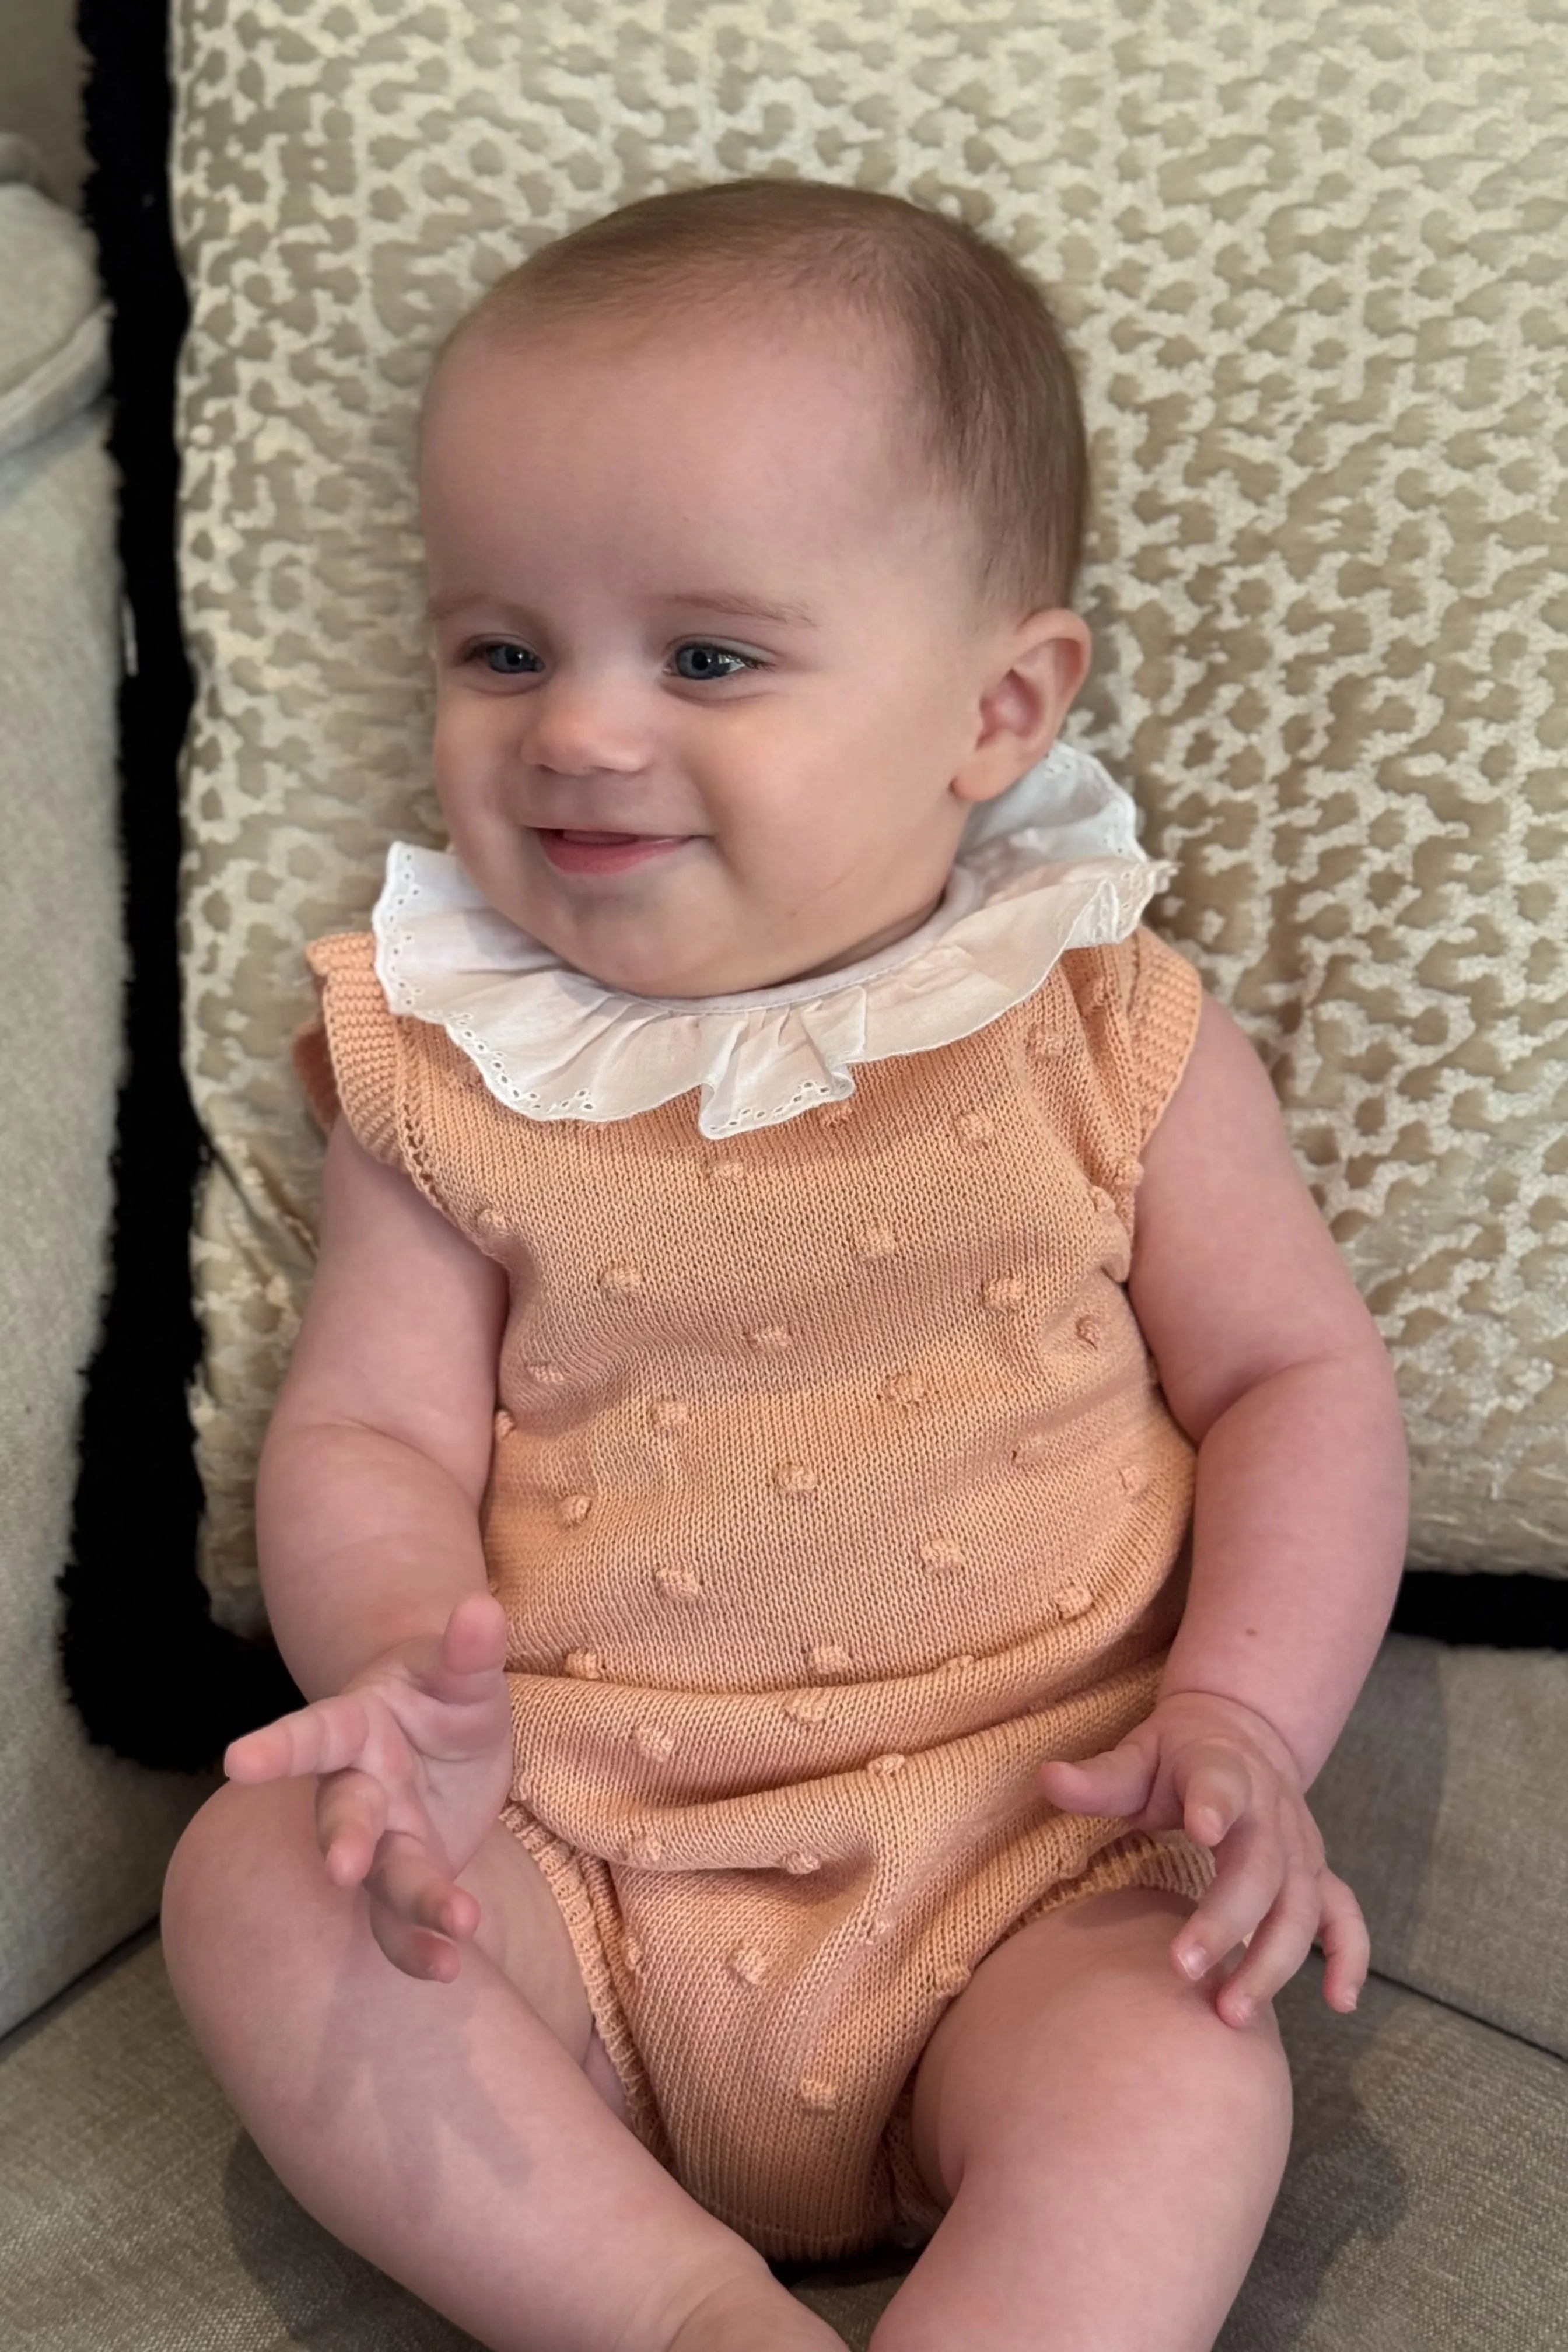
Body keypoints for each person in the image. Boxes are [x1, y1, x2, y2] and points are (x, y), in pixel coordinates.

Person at [161, 177, 1408, 2352]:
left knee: (1182, 2063)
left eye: (709, 658)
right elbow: (367, 1430)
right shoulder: (449, 1059)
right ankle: (671, 2312)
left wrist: (1242, 1714)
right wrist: (403, 1682)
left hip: (1031, 1855)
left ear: (998, 711)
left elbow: (1296, 1381)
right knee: (255, 1890)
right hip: (560, 1854)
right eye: (503, 649)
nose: (575, 731)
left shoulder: (1098, 1020)